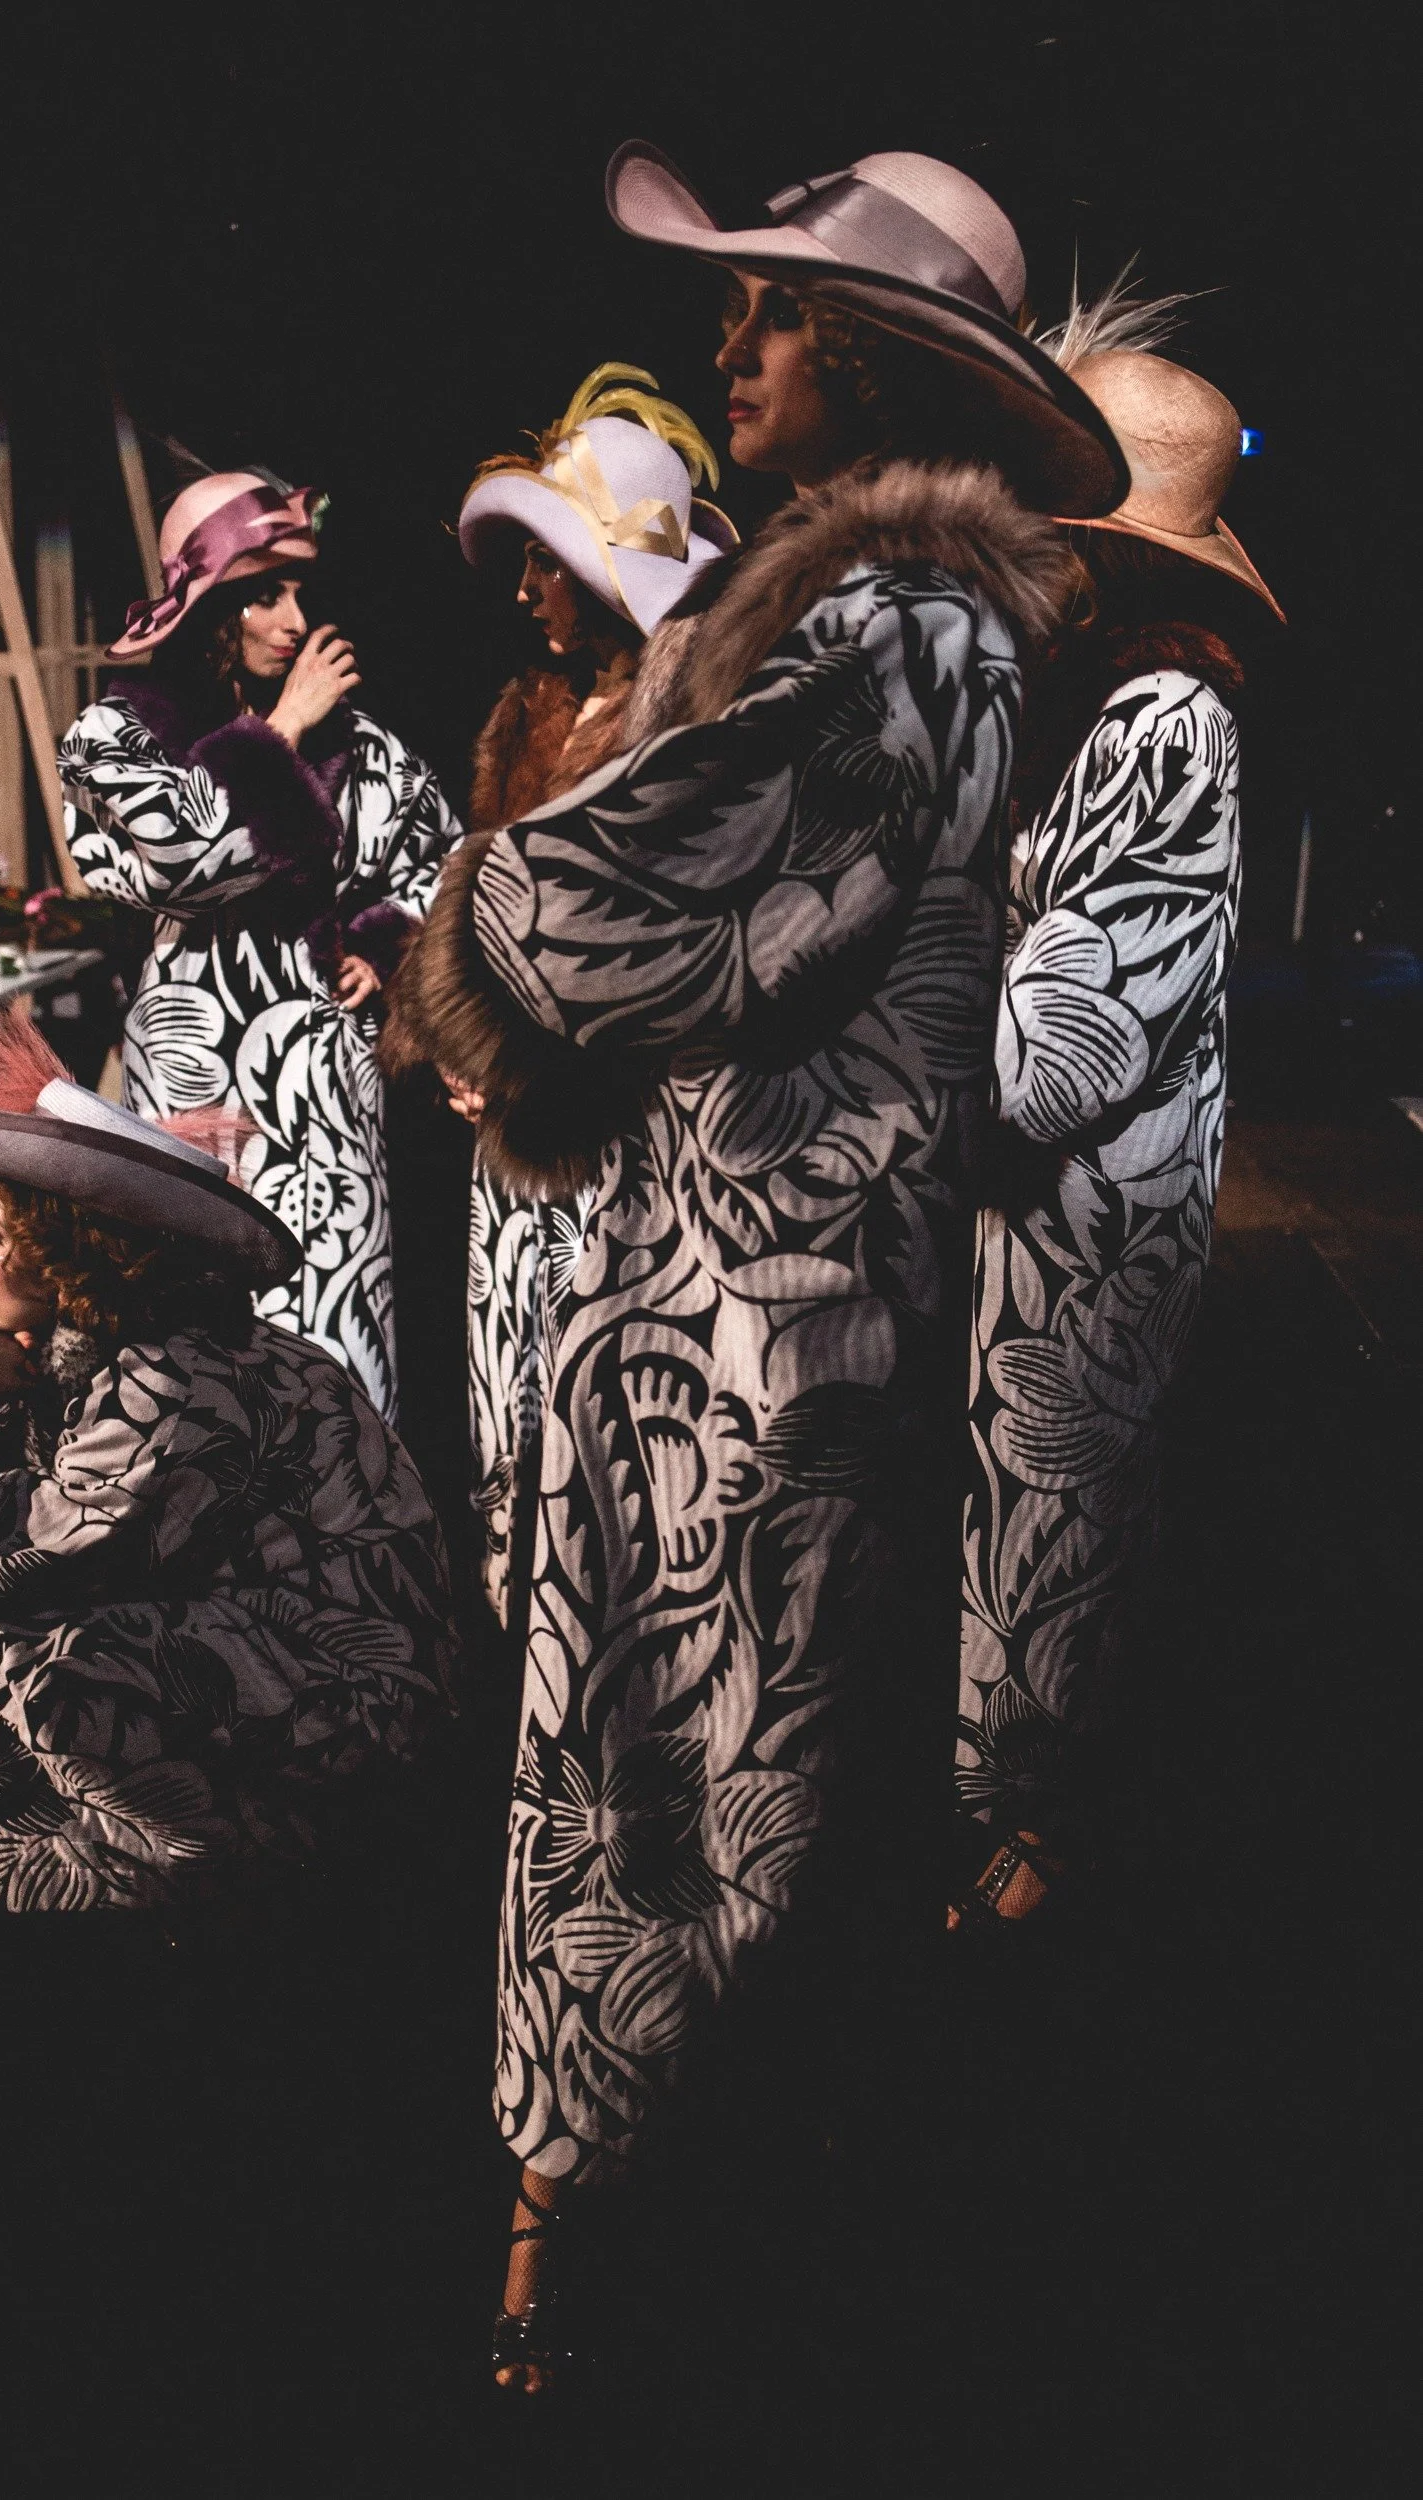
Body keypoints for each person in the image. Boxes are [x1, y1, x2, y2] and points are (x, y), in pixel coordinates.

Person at [398, 140, 1125, 2387]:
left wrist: (463, 928)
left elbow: (595, 907)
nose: (730, 345)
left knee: (681, 1805)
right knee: (721, 1806)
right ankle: (671, 2250)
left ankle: (627, 2272)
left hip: (758, 1337)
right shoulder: (904, 634)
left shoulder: (883, 635)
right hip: (765, 1309)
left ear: (885, 359)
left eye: (770, 311)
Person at [0, 1004, 458, 1911]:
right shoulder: (149, 1349)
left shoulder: (174, 1378)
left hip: (344, 1698)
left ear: (73, 1255)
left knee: (1, 1648)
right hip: (279, 1657)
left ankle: (129, 1902)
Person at [950, 316, 1283, 1928]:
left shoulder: (1164, 731)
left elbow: (1044, 1068)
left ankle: (1039, 1867)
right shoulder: (1078, 714)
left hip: (1081, 1261)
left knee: (1052, 1556)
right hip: (1033, 1248)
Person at [385, 364, 736, 1633]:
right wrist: (449, 1041)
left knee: (611, 1423)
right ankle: (519, 1661)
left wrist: (529, 1059)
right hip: (509, 1150)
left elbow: (665, 950)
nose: (525, 590)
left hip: (615, 1141)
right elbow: (469, 914)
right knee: (506, 1407)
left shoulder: (691, 712)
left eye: (546, 560)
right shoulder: (525, 709)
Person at [59, 469, 461, 1424]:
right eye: (263, 594)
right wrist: (276, 736)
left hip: (325, 1091)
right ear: (209, 609)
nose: (293, 619)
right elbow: (184, 862)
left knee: (337, 1348)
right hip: (197, 1077)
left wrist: (388, 935)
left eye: (299, 593)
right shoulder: (116, 737)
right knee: (199, 1356)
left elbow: (446, 856)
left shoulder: (359, 742)